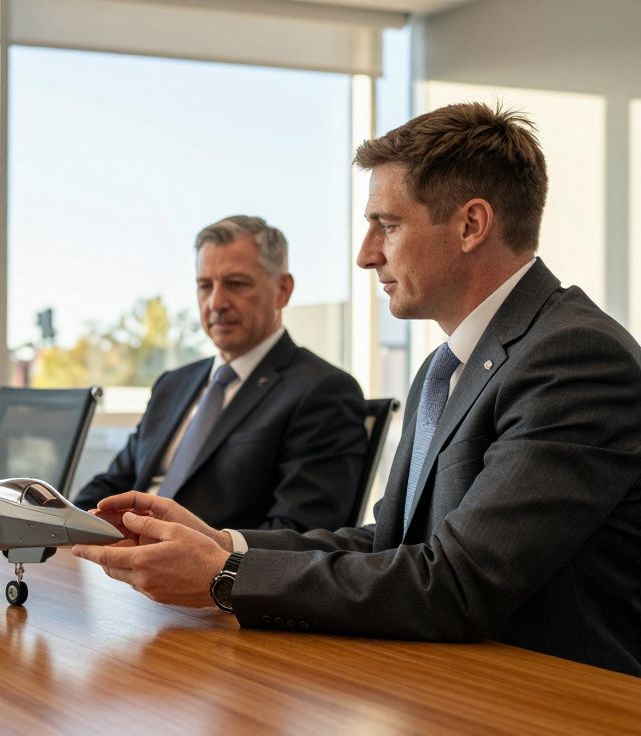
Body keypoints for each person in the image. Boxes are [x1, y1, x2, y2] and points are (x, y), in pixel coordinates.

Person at [72, 102, 641, 676]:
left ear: (472, 225)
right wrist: (225, 546)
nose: (366, 255)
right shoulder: (447, 366)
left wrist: (224, 580)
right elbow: (388, 545)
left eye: (388, 226)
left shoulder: (575, 359)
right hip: (455, 681)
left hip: (556, 697)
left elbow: (457, 584)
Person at [72, 215, 367, 532]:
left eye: (236, 284)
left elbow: (297, 534)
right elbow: (112, 485)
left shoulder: (322, 390)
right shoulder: (172, 384)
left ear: (282, 290)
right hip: (121, 566)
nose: (216, 303)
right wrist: (62, 521)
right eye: (204, 286)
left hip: (210, 575)